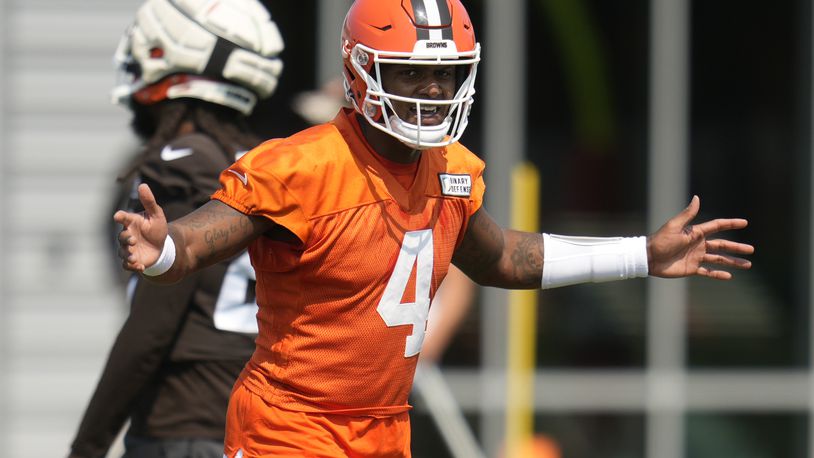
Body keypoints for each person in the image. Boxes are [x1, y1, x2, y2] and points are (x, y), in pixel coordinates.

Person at [113, 0, 754, 456]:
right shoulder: (304, 164)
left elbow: (504, 257)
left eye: (443, 73)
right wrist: (164, 248)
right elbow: (208, 235)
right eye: (409, 72)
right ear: (361, 70)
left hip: (387, 427)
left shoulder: (451, 170)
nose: (429, 89)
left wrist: (641, 254)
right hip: (292, 428)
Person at [68, 1, 284, 457]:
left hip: (184, 426)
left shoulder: (180, 164)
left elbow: (151, 330)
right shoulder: (268, 164)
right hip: (265, 426)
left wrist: (87, 446)